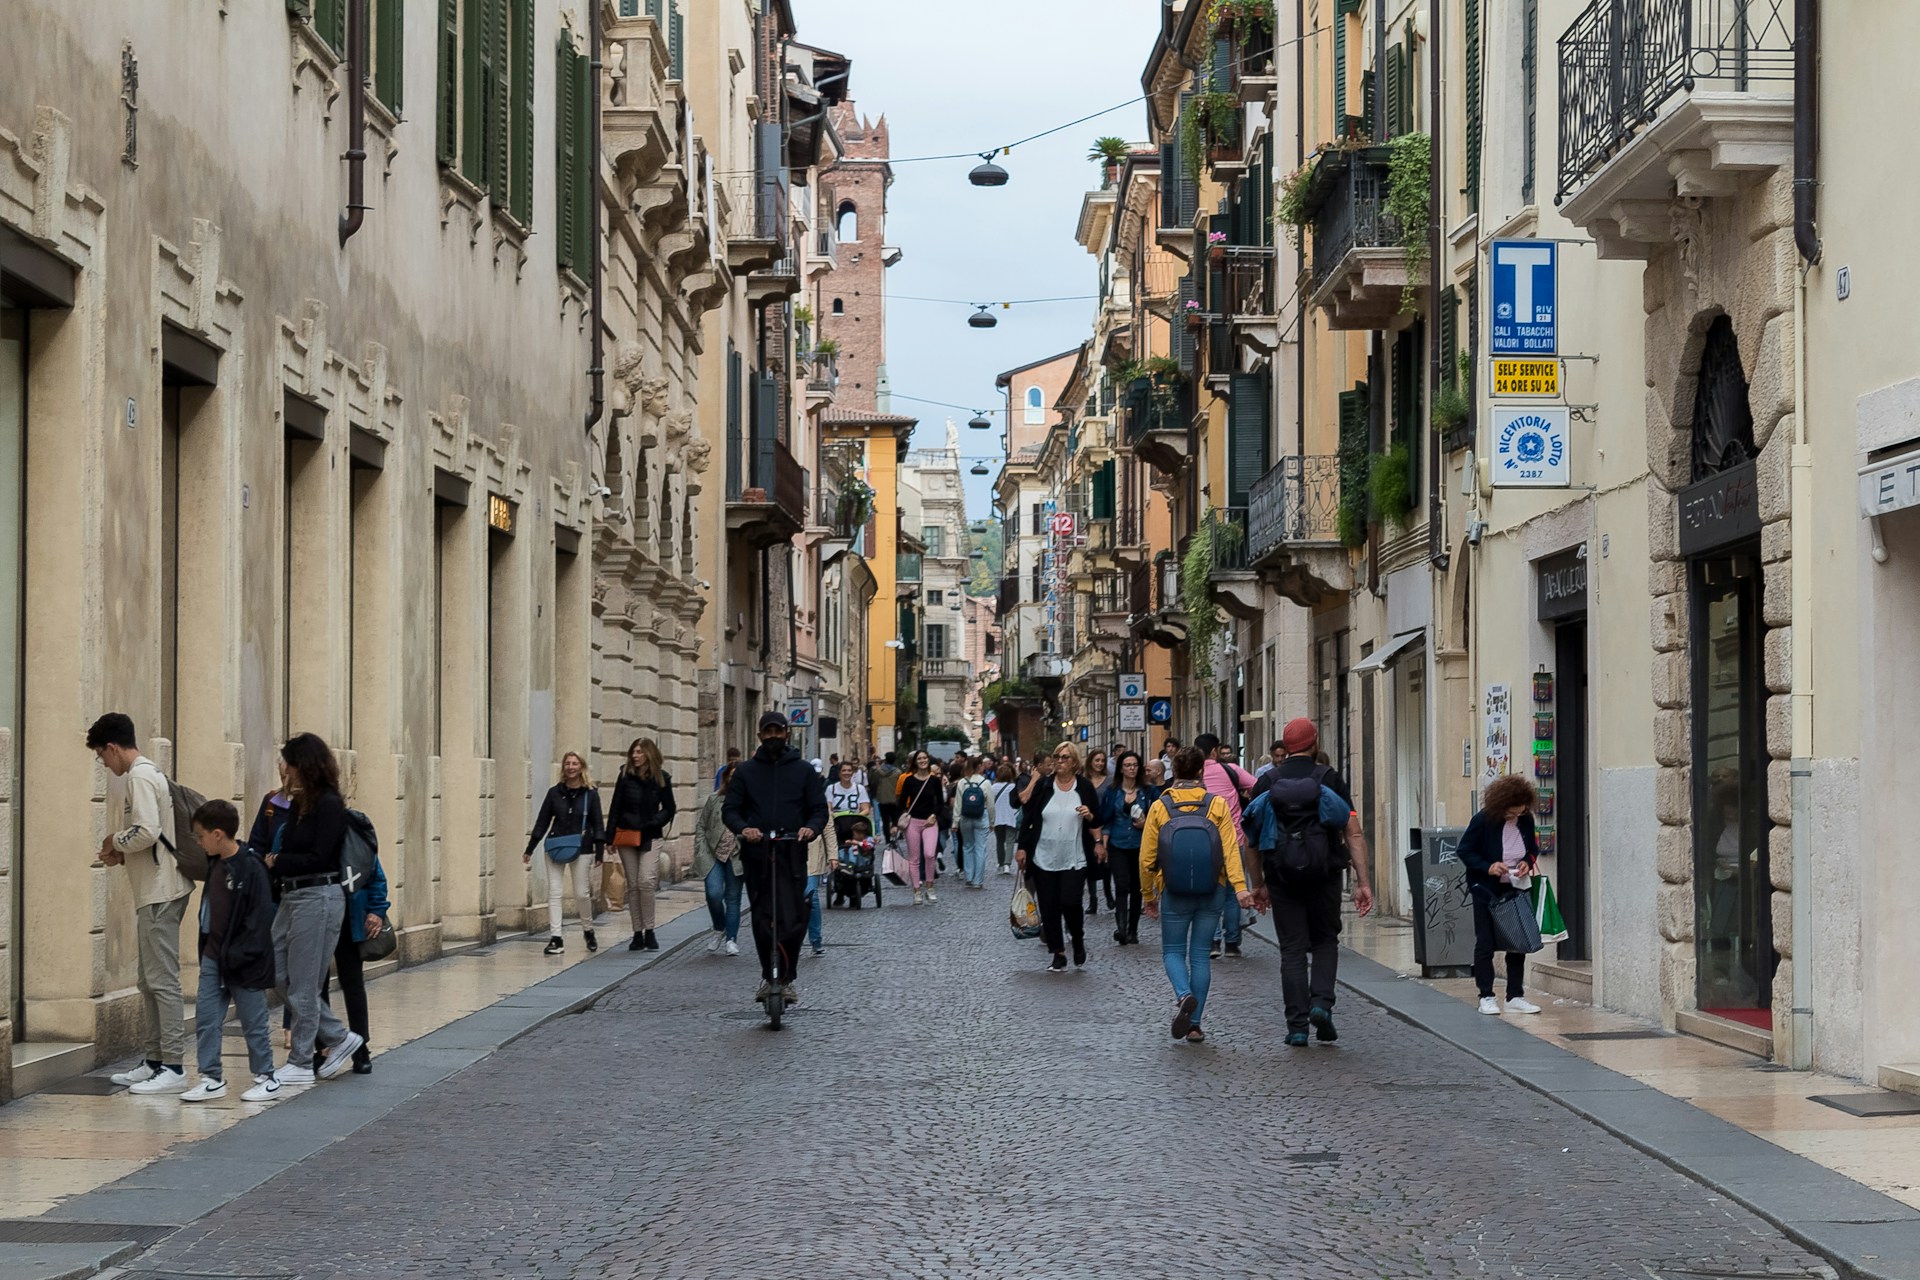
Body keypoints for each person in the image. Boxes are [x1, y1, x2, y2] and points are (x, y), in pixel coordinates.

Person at [89, 713, 196, 1094]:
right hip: (155, 891)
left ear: (112, 747)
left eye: (102, 756)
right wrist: (124, 851)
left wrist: (115, 841)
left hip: (160, 893)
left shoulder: (139, 776)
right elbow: (152, 835)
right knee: (148, 981)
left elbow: (147, 831)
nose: (104, 764)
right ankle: (154, 1060)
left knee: (162, 982)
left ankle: (173, 1066)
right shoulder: (147, 773)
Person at [1257, 717, 1375, 1046]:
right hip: (1325, 874)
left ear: (1285, 746)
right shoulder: (1329, 778)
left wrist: (1258, 883)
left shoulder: (1267, 782)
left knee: (1292, 949)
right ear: (1315, 743)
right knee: (1324, 940)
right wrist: (1363, 881)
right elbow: (1353, 832)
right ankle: (1321, 1003)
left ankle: (1297, 1027)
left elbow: (1251, 839)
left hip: (1281, 875)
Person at [266, 733, 364, 1087]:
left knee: (305, 983)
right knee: (276, 970)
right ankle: (338, 1036)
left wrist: (278, 861)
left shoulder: (330, 805)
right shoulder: (298, 805)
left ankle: (301, 1061)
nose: (284, 770)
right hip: (292, 897)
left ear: (304, 765)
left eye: (289, 763)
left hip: (319, 896)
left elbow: (320, 857)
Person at [1141, 747, 1255, 1044]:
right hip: (1212, 888)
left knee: (1173, 951)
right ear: (1201, 773)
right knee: (1201, 955)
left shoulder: (1160, 806)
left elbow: (1147, 858)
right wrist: (1240, 887)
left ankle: (1183, 995)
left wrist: (1148, 894)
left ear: (1174, 772)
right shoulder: (1217, 805)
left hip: (1174, 890)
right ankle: (1194, 1025)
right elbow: (1231, 850)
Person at [724, 711, 830, 1005]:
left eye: (777, 731)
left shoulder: (804, 771)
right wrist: (744, 828)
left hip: (792, 852)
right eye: (767, 732)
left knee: (793, 919)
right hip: (757, 854)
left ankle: (786, 977)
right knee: (762, 919)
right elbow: (730, 809)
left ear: (787, 734)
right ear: (760, 735)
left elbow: (819, 809)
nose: (773, 736)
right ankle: (769, 976)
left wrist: (811, 828)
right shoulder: (745, 772)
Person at [180, 799, 279, 1103]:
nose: (199, 842)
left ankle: (266, 1076)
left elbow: (260, 918)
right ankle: (211, 1078)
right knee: (207, 1018)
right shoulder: (214, 863)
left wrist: (241, 954)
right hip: (214, 955)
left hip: (244, 959)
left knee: (253, 1021)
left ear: (218, 834)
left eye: (201, 836)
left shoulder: (251, 867)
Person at [1457, 774, 1544, 1017]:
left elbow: (1533, 848)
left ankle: (1515, 995)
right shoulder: (1483, 820)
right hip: (1486, 890)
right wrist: (1489, 867)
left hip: (1515, 887)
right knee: (1485, 942)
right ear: (1501, 805)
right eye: (1510, 813)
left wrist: (1527, 862)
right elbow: (1465, 851)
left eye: (1520, 812)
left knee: (1517, 942)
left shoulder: (1525, 820)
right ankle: (1486, 996)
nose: (1515, 816)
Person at [1014, 742, 1103, 972]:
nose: (1059, 761)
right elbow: (1028, 816)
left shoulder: (1084, 787)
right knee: (1049, 906)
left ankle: (1077, 938)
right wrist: (1022, 847)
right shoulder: (1044, 785)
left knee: (1070, 902)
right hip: (1043, 856)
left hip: (1074, 856)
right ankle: (1058, 953)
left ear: (1074, 762)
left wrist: (1090, 818)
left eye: (1064, 757)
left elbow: (1097, 819)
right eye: (1057, 757)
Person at [524, 751, 604, 956]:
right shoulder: (554, 793)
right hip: (555, 846)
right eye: (567, 763)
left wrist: (599, 852)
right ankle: (556, 938)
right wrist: (530, 848)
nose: (570, 767)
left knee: (581, 893)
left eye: (575, 763)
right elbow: (542, 821)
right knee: (555, 892)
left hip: (583, 847)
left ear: (581, 767)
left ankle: (588, 929)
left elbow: (598, 824)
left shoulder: (590, 794)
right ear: (563, 768)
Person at [608, 737, 676, 951]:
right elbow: (615, 806)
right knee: (633, 884)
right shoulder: (625, 776)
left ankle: (650, 929)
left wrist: (654, 821)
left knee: (646, 881)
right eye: (633, 752)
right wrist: (609, 837)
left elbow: (670, 808)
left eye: (639, 752)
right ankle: (637, 932)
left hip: (650, 835)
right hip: (627, 834)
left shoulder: (662, 778)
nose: (635, 756)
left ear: (649, 754)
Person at [1195, 732, 1258, 958]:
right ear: (1214, 751)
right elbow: (1258, 785)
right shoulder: (1230, 770)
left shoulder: (1194, 774)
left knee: (1209, 892)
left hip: (1203, 841)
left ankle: (1213, 942)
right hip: (1233, 839)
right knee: (1232, 892)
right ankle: (1232, 943)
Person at [1099, 750, 1154, 945]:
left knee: (1137, 887)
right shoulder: (1112, 791)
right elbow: (1106, 818)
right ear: (1121, 769)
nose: (1131, 769)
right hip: (1118, 843)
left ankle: (1133, 930)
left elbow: (1158, 816)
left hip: (1140, 845)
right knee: (1121, 885)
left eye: (1134, 765)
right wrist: (1103, 844)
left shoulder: (1148, 791)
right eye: (1127, 765)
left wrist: (1146, 822)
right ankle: (1121, 928)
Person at [695, 762, 745, 955]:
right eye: (731, 776)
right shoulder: (714, 799)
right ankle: (719, 928)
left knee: (733, 898)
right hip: (712, 854)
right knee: (713, 893)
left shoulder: (749, 802)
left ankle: (731, 939)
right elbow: (701, 826)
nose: (734, 780)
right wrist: (700, 849)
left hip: (736, 856)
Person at [894, 750, 944, 906]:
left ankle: (930, 887)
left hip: (930, 822)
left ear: (928, 760)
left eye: (924, 758)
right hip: (913, 822)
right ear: (915, 762)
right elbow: (901, 803)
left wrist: (934, 815)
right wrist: (896, 823)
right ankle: (916, 890)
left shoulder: (934, 780)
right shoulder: (909, 780)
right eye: (919, 758)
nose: (922, 761)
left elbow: (940, 803)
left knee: (929, 854)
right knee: (914, 858)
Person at [1081, 749, 1114, 915]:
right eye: (1097, 760)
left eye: (1102, 760)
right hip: (1087, 826)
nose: (1100, 763)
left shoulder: (1110, 781)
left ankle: (1108, 894)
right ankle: (1093, 899)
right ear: (1090, 762)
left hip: (1105, 824)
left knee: (1106, 863)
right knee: (1090, 863)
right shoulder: (1083, 781)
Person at [955, 755, 994, 888]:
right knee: (980, 848)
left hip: (965, 817)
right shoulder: (986, 783)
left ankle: (969, 876)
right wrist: (992, 821)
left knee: (967, 846)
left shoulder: (962, 782)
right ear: (979, 766)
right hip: (981, 816)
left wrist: (955, 822)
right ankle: (978, 881)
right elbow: (991, 805)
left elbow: (958, 804)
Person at [826, 760, 871, 845]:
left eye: (849, 770)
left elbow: (866, 809)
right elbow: (828, 808)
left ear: (852, 773)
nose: (846, 773)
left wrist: (853, 818)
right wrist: (836, 816)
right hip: (837, 825)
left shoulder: (860, 789)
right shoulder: (831, 789)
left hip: (855, 826)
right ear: (839, 773)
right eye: (844, 770)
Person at [990, 763, 1022, 876]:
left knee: (999, 841)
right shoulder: (1013, 787)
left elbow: (990, 804)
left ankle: (1000, 862)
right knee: (1010, 841)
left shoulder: (993, 787)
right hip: (1011, 817)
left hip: (998, 818)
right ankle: (1007, 865)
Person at [870, 752, 903, 848]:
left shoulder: (878, 772)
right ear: (894, 760)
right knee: (895, 821)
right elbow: (901, 786)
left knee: (885, 821)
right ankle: (894, 839)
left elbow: (873, 783)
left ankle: (888, 841)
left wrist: (875, 794)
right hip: (895, 800)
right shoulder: (898, 772)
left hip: (882, 799)